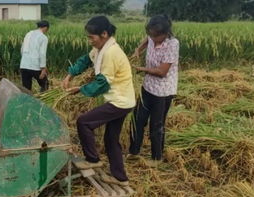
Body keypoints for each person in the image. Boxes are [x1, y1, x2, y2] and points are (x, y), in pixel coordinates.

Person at [62, 16, 136, 186]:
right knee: (111, 138)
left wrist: (80, 89)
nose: (90, 41)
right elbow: (86, 60)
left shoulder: (111, 53)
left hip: (119, 102)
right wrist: (70, 75)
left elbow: (102, 83)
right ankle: (120, 178)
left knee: (84, 122)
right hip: (123, 100)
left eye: (91, 37)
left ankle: (93, 159)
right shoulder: (101, 48)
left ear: (104, 34)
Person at [128, 15, 179, 167]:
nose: (153, 38)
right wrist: (138, 50)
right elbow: (146, 40)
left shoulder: (172, 44)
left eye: (156, 36)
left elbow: (162, 72)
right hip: (147, 87)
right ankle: (134, 152)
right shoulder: (152, 36)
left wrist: (140, 69)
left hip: (163, 92)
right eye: (151, 34)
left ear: (165, 33)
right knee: (137, 119)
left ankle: (156, 158)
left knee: (156, 125)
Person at [20, 20, 50, 92]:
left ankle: (27, 102)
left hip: (23, 65)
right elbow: (42, 53)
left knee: (26, 89)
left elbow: (22, 49)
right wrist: (43, 68)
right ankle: (42, 100)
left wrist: (25, 60)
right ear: (46, 28)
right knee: (45, 84)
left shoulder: (28, 34)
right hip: (35, 66)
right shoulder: (43, 37)